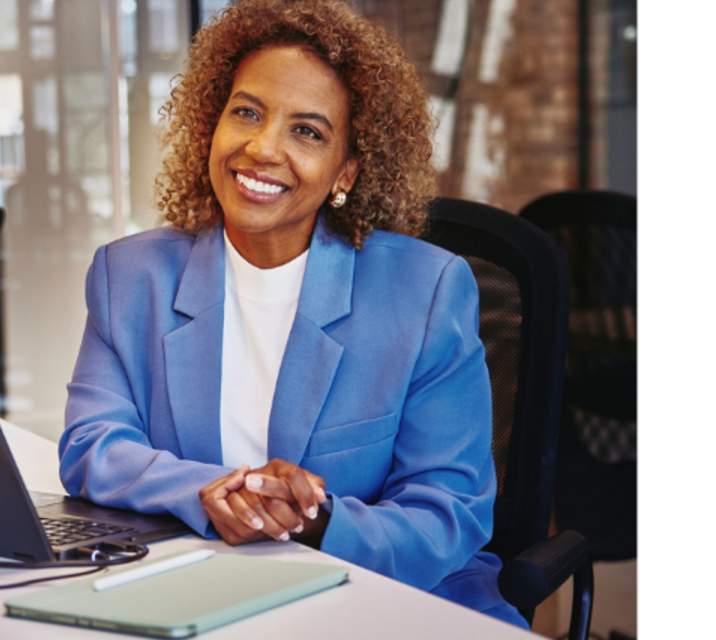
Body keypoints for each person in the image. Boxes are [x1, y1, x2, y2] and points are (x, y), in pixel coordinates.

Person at [59, 0, 527, 629]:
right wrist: (208, 492)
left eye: (307, 131)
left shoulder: (426, 291)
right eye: (246, 112)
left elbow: (447, 513)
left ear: (347, 170)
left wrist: (319, 517)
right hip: (201, 594)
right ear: (211, 126)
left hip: (385, 603)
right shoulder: (130, 278)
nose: (262, 147)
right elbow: (94, 444)